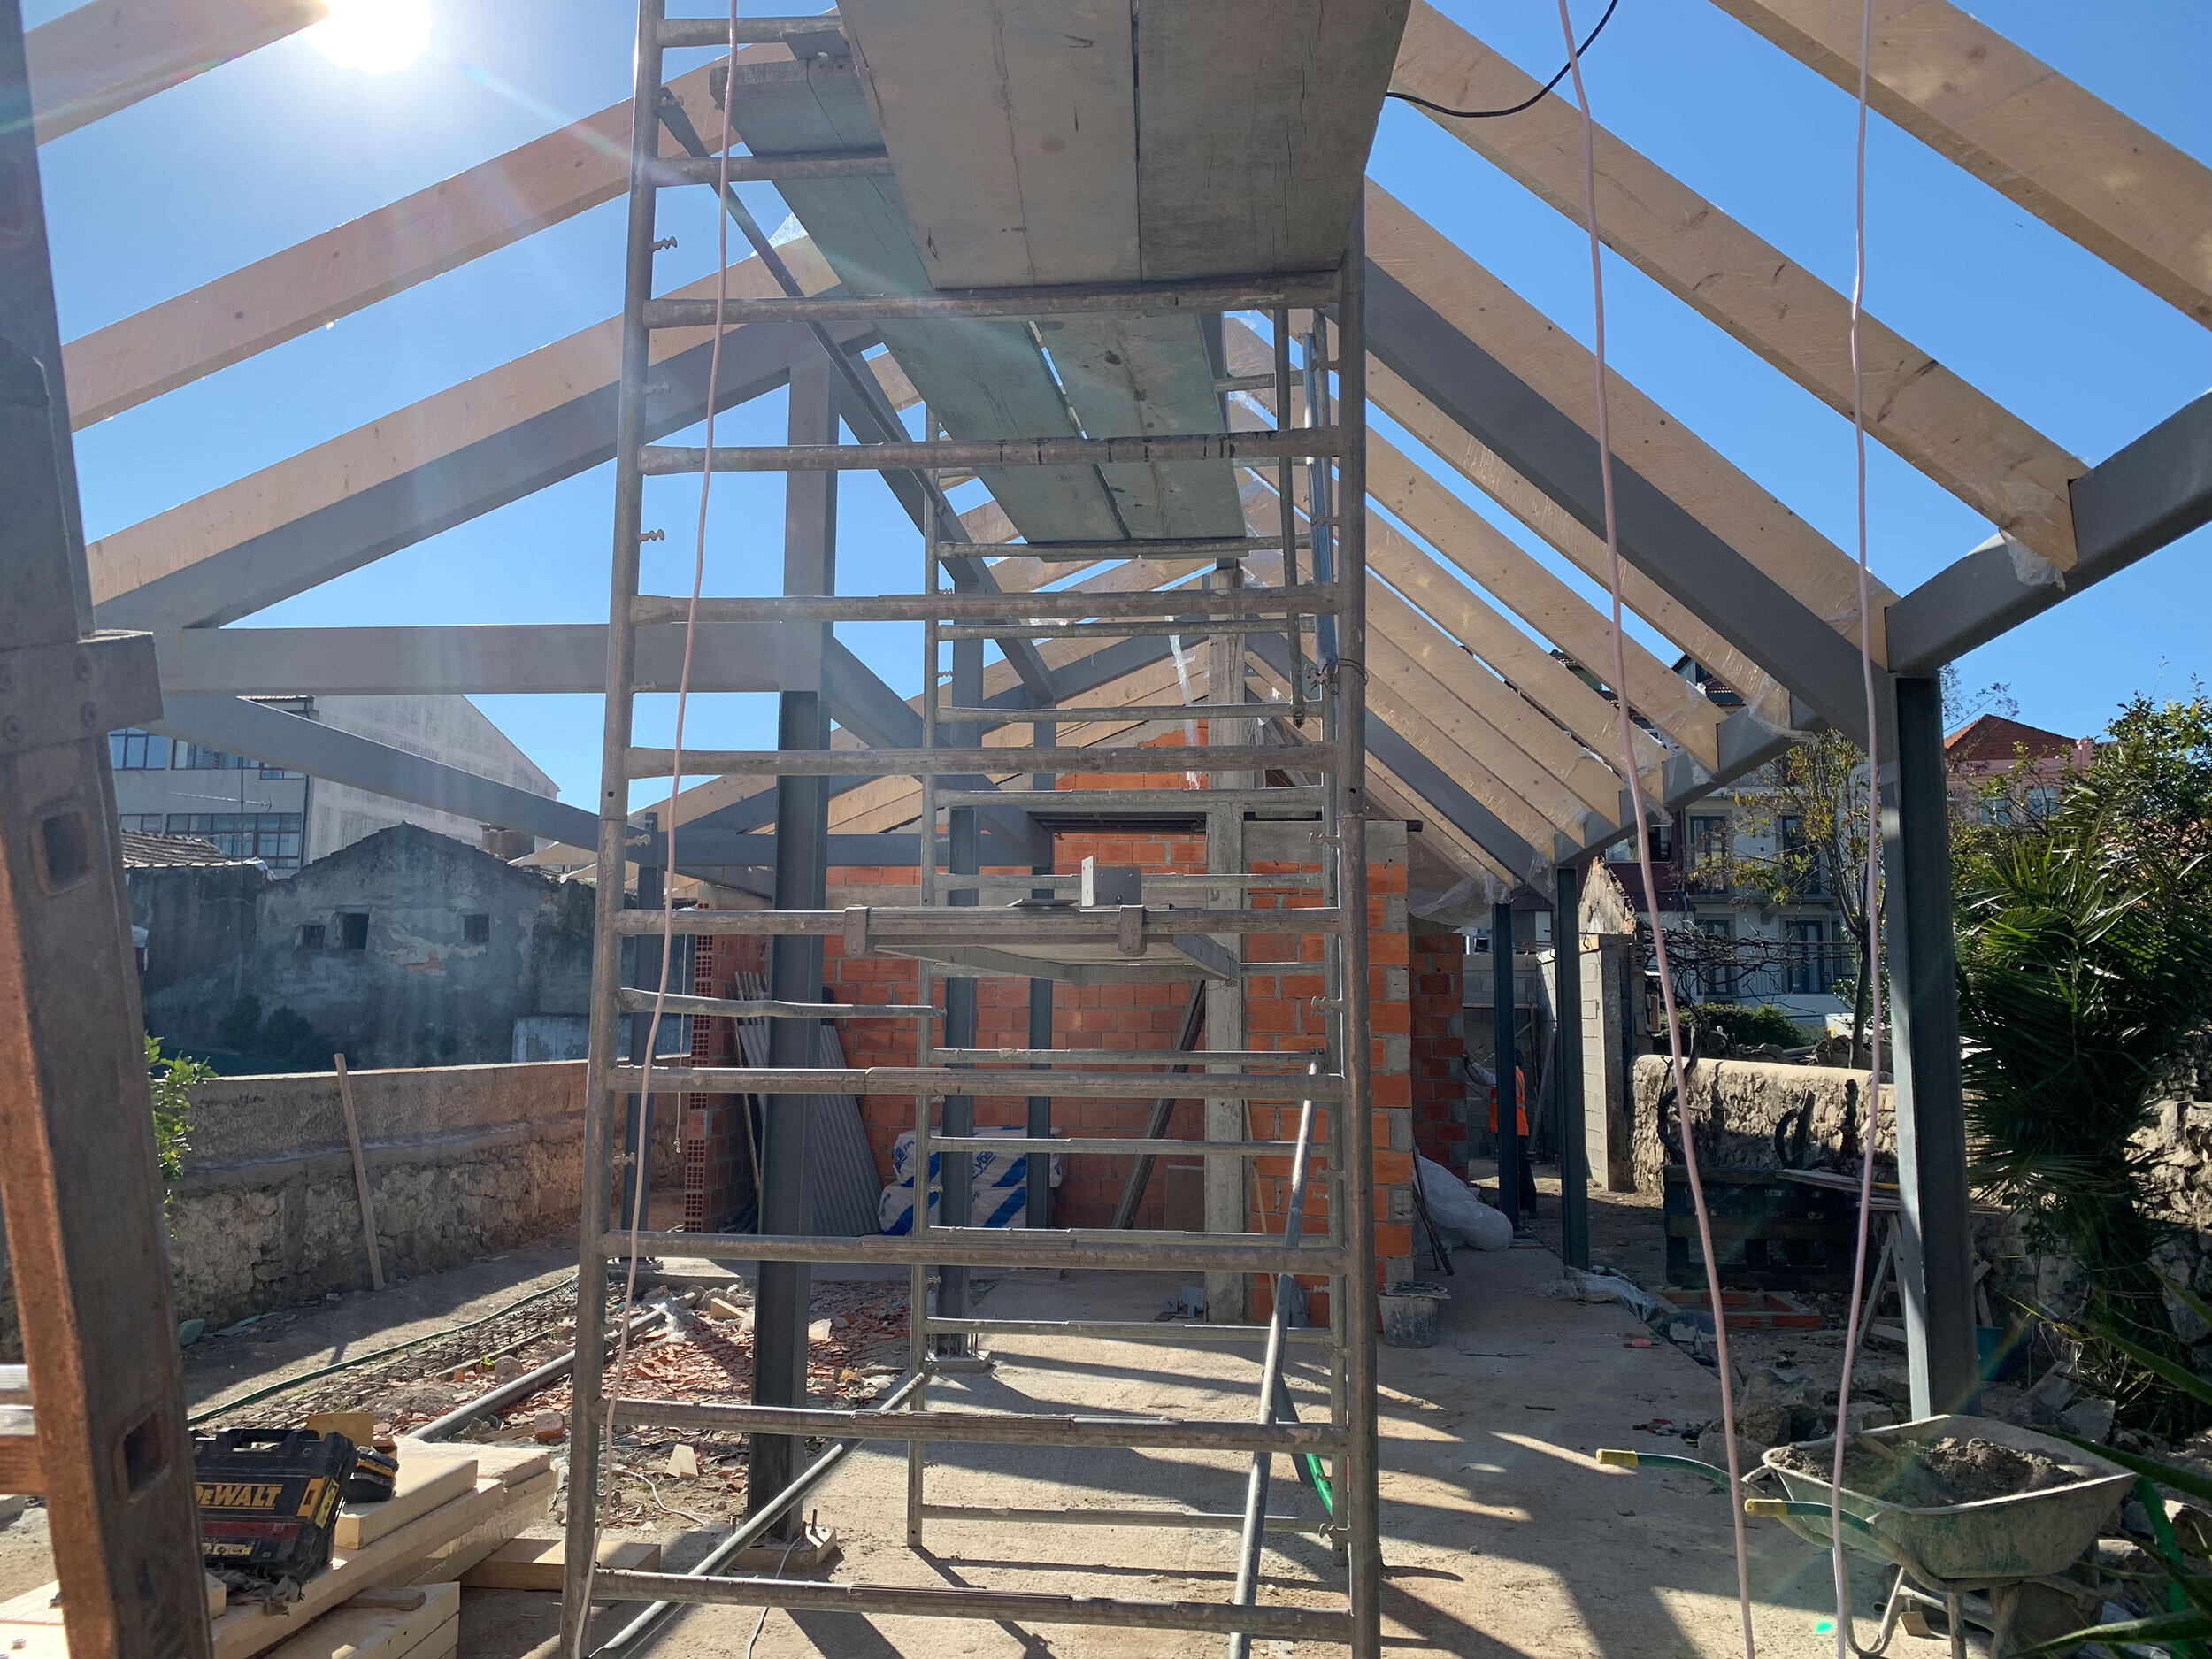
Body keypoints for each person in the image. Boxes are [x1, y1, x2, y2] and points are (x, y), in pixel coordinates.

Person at [1487, 1064, 1539, 1216]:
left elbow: (1488, 1079)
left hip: (1514, 1128)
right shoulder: (1515, 1074)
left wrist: (1472, 1064)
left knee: (1520, 1169)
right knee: (1513, 1167)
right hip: (1511, 1128)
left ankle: (1527, 1206)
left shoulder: (1512, 1076)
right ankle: (1514, 1203)